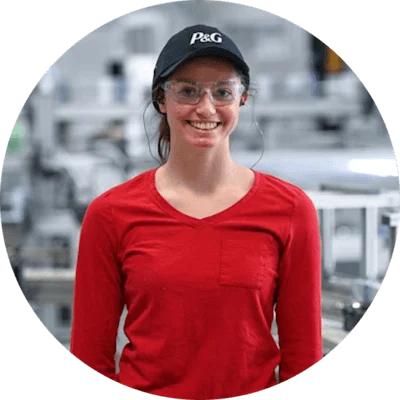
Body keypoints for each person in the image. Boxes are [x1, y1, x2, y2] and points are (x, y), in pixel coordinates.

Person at [70, 24, 323, 400]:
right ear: (161, 99)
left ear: (242, 100)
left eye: (223, 92)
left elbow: (303, 356)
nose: (205, 108)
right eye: (187, 91)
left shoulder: (290, 210)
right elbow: (90, 355)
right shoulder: (111, 214)